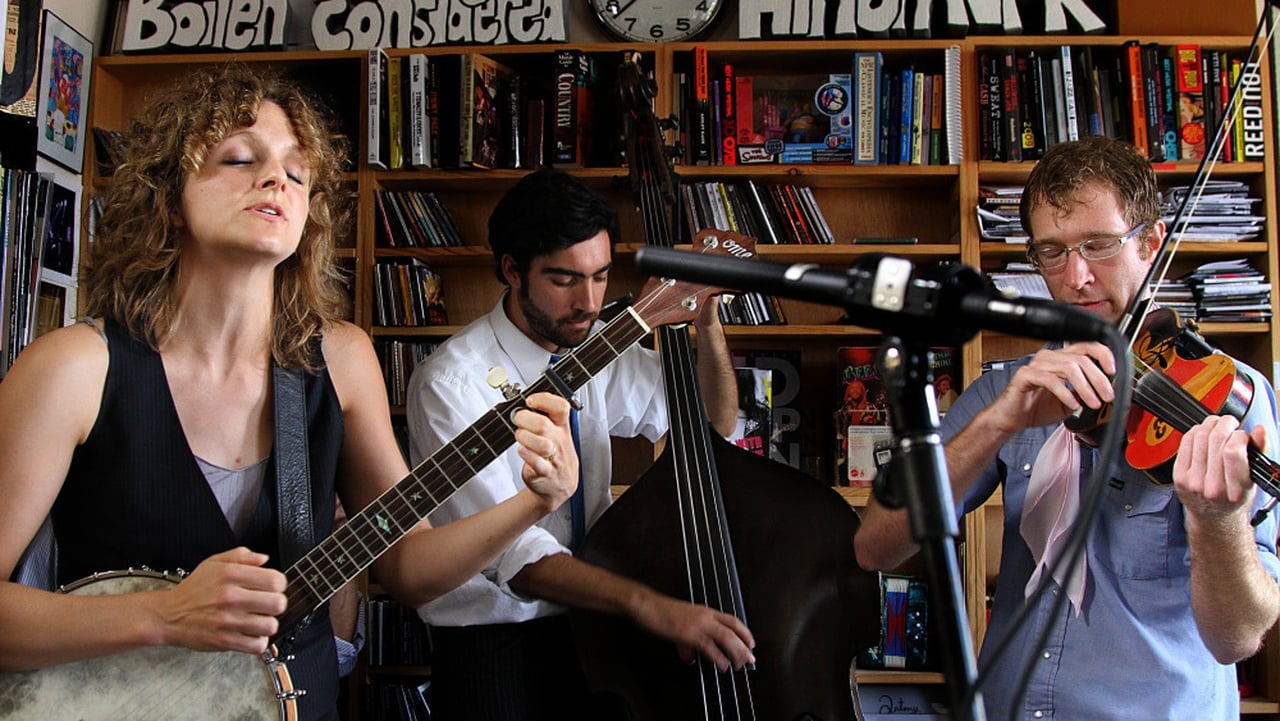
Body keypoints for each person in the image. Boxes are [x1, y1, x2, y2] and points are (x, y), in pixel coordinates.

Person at [0, 64, 579, 721]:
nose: (276, 178)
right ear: (168, 193)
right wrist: (161, 613)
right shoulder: (75, 368)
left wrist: (533, 504)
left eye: (297, 172)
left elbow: (409, 567)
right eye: (240, 158)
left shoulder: (342, 357)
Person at [855, 135, 1280, 720]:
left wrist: (1219, 522)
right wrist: (1000, 423)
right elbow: (876, 546)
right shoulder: (1006, 387)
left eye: (1098, 245)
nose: (1075, 276)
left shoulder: (1229, 397)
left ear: (1151, 243)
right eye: (1051, 252)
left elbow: (1237, 638)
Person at [405, 168, 757, 720]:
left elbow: (713, 424)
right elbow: (515, 560)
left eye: (600, 277)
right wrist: (650, 606)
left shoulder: (592, 345)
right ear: (512, 271)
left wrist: (707, 320)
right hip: (495, 645)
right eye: (565, 279)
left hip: (591, 624)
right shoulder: (451, 382)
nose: (589, 302)